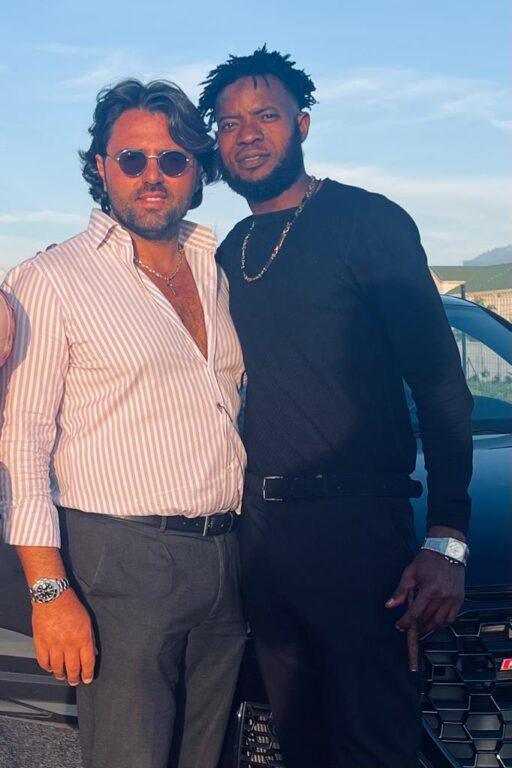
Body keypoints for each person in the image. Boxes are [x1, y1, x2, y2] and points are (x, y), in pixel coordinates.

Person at [198, 47, 473, 768]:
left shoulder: (366, 222)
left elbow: (441, 384)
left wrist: (446, 538)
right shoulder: (231, 250)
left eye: (266, 115)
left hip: (358, 530)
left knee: (373, 741)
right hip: (262, 536)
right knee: (300, 742)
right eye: (230, 122)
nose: (247, 134)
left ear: (302, 125)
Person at [0, 79, 246, 768]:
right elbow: (22, 442)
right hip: (119, 561)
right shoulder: (51, 279)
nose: (152, 175)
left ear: (197, 171)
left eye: (173, 159)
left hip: (225, 556)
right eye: (132, 159)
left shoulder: (217, 269)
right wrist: (49, 592)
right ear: (102, 168)